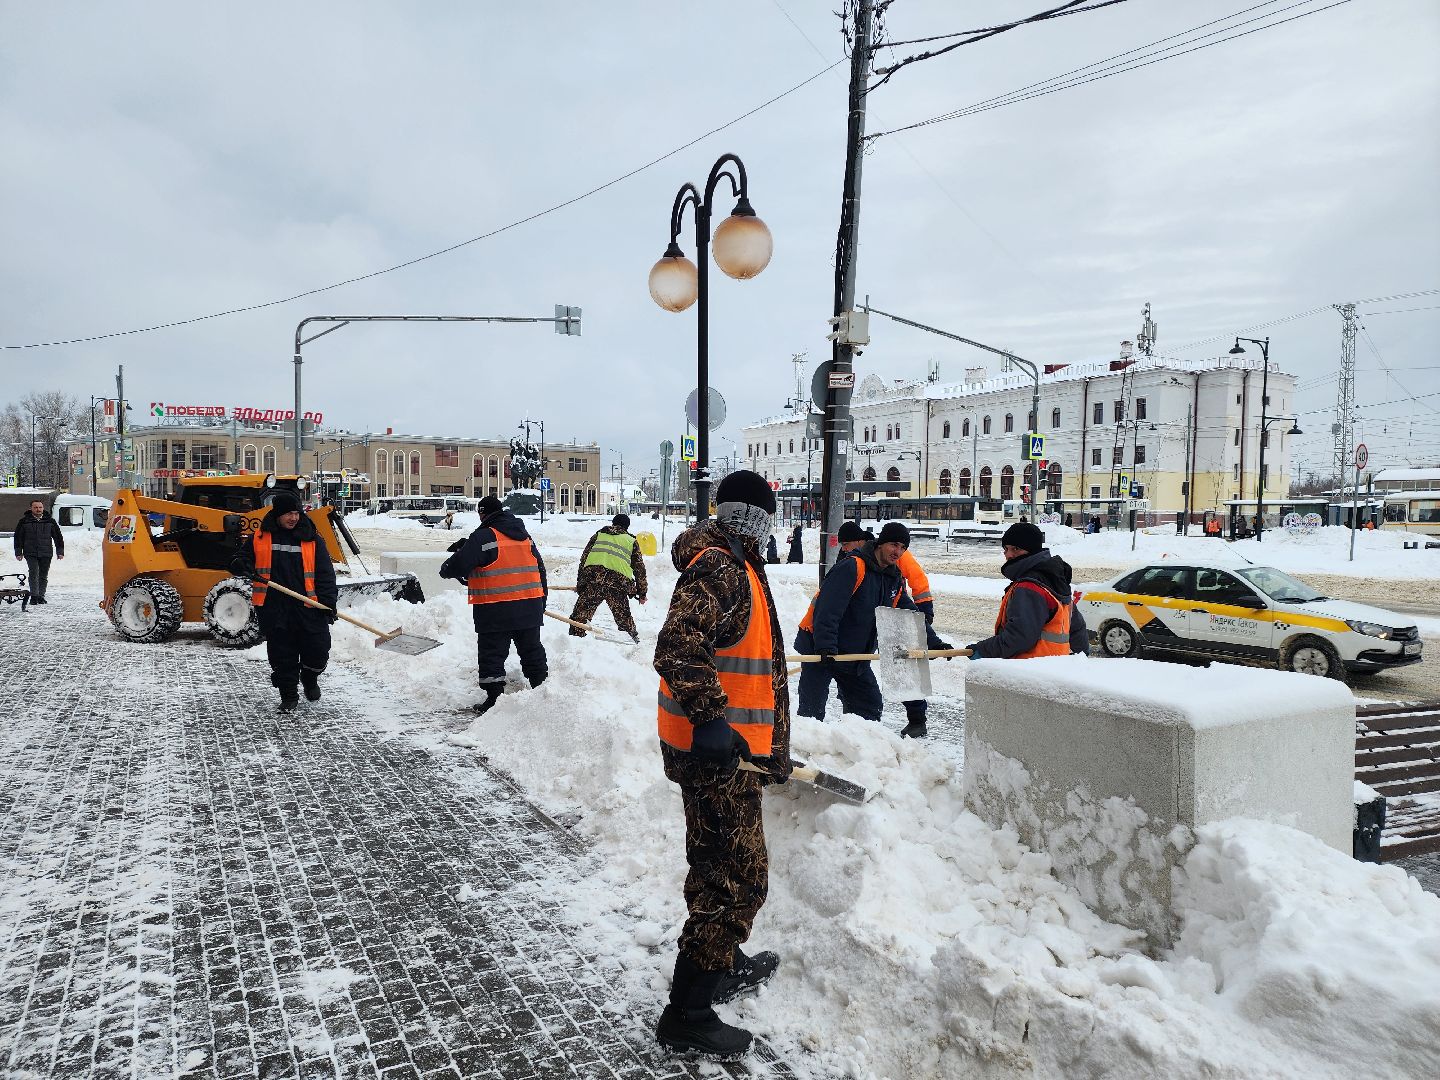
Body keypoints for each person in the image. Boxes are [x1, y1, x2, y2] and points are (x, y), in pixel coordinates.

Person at [653, 470, 791, 1058]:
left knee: (717, 863)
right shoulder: (721, 567)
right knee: (735, 879)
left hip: (729, 752)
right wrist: (710, 718)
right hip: (715, 753)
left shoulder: (738, 562)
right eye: (769, 514)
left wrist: (770, 750)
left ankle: (723, 961)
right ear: (756, 517)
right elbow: (678, 646)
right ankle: (688, 1012)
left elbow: (747, 662)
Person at [796, 521, 948, 738]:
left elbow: (911, 615)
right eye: (894, 545)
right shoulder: (853, 567)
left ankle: (856, 749)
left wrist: (934, 642)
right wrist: (825, 646)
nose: (898, 552)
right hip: (819, 647)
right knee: (812, 713)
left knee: (868, 707)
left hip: (853, 654)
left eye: (903, 548)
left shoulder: (892, 578)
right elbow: (827, 610)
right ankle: (808, 749)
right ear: (880, 543)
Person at [440, 494, 548, 715]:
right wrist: (541, 603)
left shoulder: (483, 536)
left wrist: (448, 566)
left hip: (496, 609)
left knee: (492, 653)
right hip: (529, 606)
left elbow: (457, 566)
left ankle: (495, 699)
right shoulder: (524, 536)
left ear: (482, 514)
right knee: (531, 649)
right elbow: (540, 569)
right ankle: (542, 690)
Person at [231, 490, 338, 711]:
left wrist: (328, 602)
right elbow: (241, 559)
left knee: (318, 651)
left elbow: (325, 574)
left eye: (297, 513)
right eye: (289, 513)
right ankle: (288, 695)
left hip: (309, 607)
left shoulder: (312, 539)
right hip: (274, 608)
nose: (294, 518)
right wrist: (241, 564)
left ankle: (309, 677)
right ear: (278, 514)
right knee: (282, 655)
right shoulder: (260, 537)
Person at [967, 522, 1088, 660]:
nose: (1009, 555)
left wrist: (982, 650)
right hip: (1055, 668)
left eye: (1016, 548)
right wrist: (1080, 659)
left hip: (1027, 667)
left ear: (1032, 550)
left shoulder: (1029, 587)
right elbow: (1077, 629)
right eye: (1006, 549)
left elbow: (1018, 637)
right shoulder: (1054, 580)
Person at [569, 513, 646, 643]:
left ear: (613, 523)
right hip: (617, 584)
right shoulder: (631, 541)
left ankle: (574, 642)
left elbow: (584, 560)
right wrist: (642, 593)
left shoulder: (599, 535)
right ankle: (632, 642)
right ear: (627, 527)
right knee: (624, 618)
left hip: (594, 580)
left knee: (579, 617)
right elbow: (640, 570)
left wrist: (581, 584)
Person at [13, 498, 64, 606]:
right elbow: (18, 537)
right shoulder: (24, 521)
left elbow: (58, 537)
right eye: (35, 507)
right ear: (31, 508)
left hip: (46, 552)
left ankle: (41, 596)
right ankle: (34, 596)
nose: (38, 509)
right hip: (30, 552)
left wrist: (60, 551)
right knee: (34, 573)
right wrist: (18, 552)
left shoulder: (50, 521)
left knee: (43, 575)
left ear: (43, 508)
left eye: (40, 507)